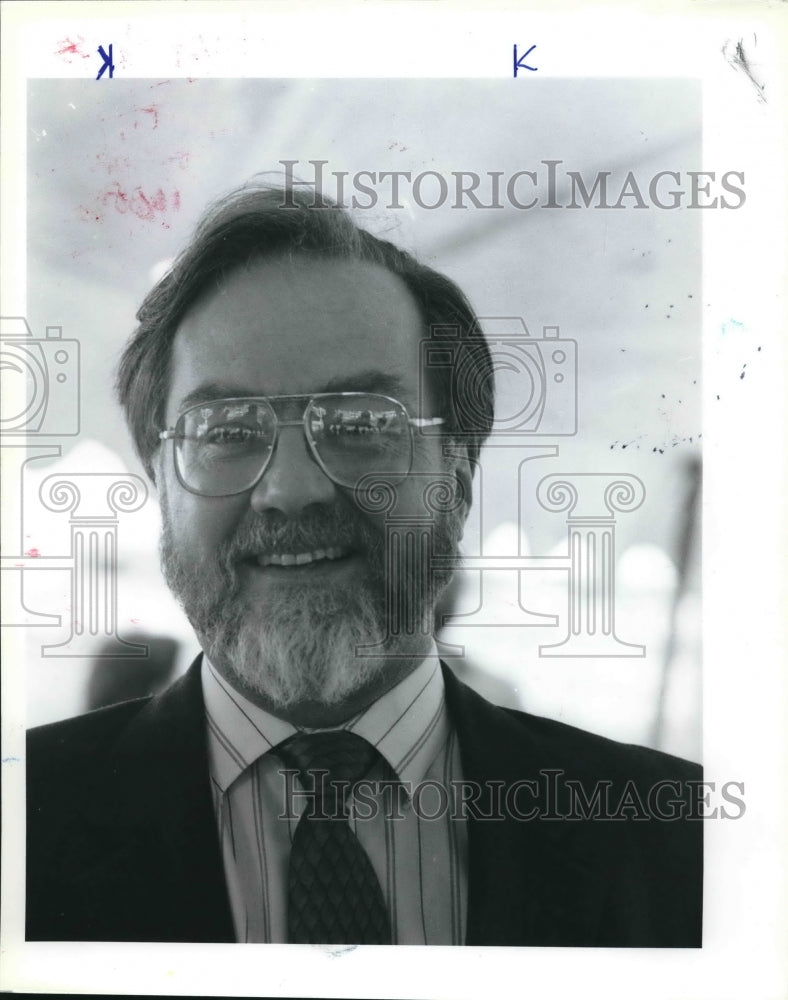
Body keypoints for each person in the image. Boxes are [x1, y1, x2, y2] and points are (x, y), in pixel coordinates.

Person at [26, 182, 702, 946]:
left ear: (458, 479)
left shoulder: (677, 839)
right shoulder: (20, 824)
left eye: (359, 423)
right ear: (159, 485)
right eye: (225, 430)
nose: (290, 490)